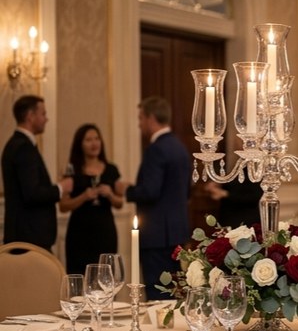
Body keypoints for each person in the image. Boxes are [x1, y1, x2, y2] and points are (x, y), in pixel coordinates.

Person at [118, 97, 193, 299]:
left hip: (156, 235)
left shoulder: (156, 149)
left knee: (157, 292)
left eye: (141, 118)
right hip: (176, 233)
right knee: (173, 291)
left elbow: (149, 191)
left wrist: (126, 190)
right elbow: (187, 192)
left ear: (151, 118)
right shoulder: (180, 148)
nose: (139, 124)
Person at [3, 96, 72, 252]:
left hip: (25, 235)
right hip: (29, 237)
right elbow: (32, 193)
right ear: (30, 116)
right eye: (43, 114)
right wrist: (61, 188)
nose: (46, 119)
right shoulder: (23, 148)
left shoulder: (15, 144)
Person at [60, 124, 124, 275]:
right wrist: (83, 197)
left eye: (97, 139)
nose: (94, 143)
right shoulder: (71, 170)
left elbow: (120, 203)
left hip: (105, 233)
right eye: (88, 140)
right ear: (80, 144)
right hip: (79, 235)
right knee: (80, 280)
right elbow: (63, 206)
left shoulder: (111, 169)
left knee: (106, 279)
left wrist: (110, 194)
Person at [206, 136, 263, 229]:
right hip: (230, 215)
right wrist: (219, 183)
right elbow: (236, 184)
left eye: (240, 140)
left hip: (244, 220)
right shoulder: (239, 162)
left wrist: (225, 194)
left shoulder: (256, 166)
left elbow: (254, 195)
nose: (236, 143)